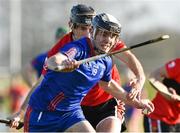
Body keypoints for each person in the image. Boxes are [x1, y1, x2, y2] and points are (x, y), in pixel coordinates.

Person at [9, 4, 147, 132]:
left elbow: (109, 84)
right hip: (46, 111)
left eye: (89, 28)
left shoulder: (104, 47)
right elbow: (53, 62)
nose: (87, 33)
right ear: (72, 26)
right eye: (82, 28)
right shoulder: (76, 47)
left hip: (78, 110)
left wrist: (137, 98)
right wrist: (63, 65)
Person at [144, 58, 180, 132]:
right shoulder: (178, 64)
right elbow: (153, 77)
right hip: (158, 116)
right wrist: (168, 94)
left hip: (177, 121)